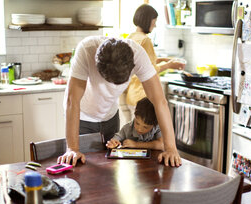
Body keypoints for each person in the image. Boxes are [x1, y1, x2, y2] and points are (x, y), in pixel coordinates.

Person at [57, 36, 181, 167]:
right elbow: (72, 100)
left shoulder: (138, 54)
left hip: (110, 117)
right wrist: (72, 149)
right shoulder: (86, 50)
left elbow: (159, 101)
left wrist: (171, 148)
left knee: (110, 167)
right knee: (82, 169)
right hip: (82, 116)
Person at [124, 4, 186, 118]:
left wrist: (165, 59)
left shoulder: (132, 37)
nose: (155, 25)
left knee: (134, 134)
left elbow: (143, 62)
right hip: (143, 96)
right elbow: (150, 70)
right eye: (154, 21)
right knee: (143, 135)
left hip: (132, 94)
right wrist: (169, 65)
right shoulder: (145, 40)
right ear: (147, 21)